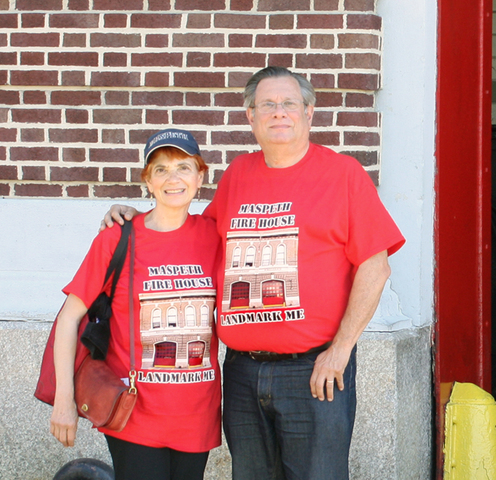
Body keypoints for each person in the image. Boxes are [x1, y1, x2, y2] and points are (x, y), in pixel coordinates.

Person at [102, 67, 405, 480]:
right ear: (250, 116)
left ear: (309, 113)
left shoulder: (343, 175)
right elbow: (190, 234)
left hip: (313, 371)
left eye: (288, 104)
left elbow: (376, 265)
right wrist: (140, 219)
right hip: (243, 373)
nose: (278, 113)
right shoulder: (238, 176)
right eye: (267, 105)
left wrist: (340, 350)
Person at [50, 129, 223, 480]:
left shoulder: (214, 234)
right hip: (135, 410)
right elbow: (69, 319)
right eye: (161, 169)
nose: (173, 178)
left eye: (184, 167)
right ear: (147, 180)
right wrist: (63, 399)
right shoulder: (118, 237)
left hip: (198, 410)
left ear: (200, 176)